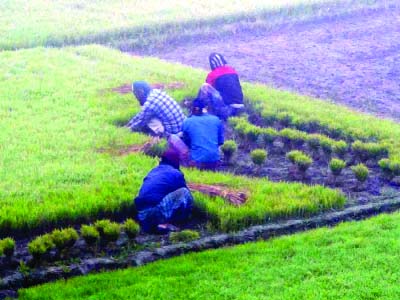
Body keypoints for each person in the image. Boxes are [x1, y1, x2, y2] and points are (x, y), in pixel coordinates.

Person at [135, 148, 193, 234]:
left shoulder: (154, 171)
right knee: (185, 193)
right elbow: (188, 196)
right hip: (155, 212)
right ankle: (166, 223)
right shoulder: (175, 173)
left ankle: (153, 225)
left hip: (141, 214)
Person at [182, 98, 224, 170]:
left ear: (192, 109)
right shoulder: (216, 120)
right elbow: (220, 142)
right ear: (205, 108)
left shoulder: (187, 122)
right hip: (214, 160)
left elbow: (186, 142)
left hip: (196, 161)